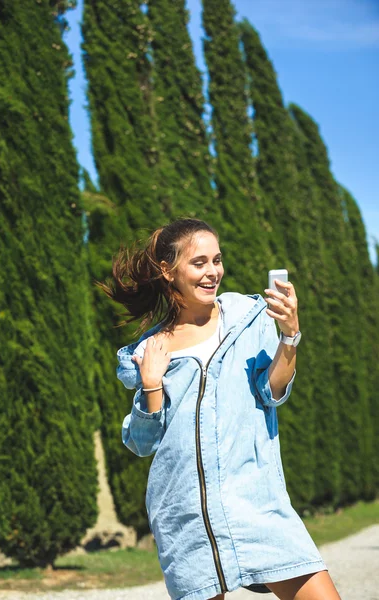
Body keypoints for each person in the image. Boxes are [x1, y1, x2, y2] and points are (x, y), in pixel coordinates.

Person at [101, 218, 341, 600]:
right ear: (168, 271)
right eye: (199, 263)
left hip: (256, 503)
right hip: (186, 516)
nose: (213, 272)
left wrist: (290, 335)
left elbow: (272, 390)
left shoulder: (248, 318)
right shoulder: (152, 350)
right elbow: (143, 443)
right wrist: (150, 385)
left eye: (217, 260)